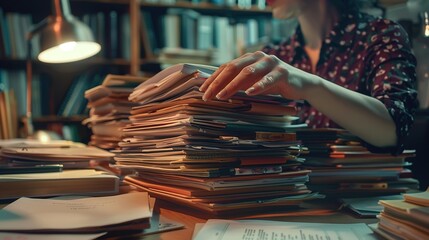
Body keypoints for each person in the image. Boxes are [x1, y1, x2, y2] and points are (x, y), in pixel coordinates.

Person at [199, 0, 418, 155]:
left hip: (365, 206)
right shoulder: (278, 55)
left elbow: (394, 131)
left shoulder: (381, 35)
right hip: (288, 198)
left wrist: (309, 85)